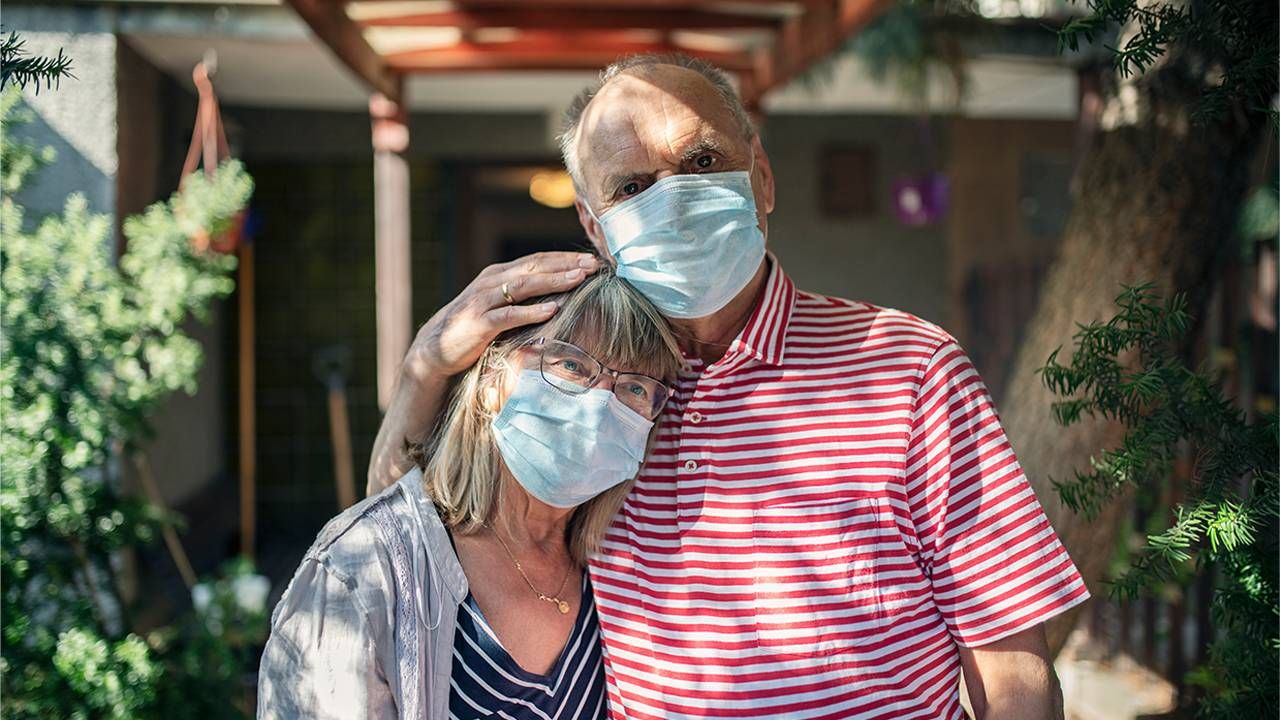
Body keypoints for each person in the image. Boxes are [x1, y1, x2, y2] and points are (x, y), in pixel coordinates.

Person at [368, 55, 1088, 720]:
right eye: (631, 187)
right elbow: (401, 540)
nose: (673, 200)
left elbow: (1012, 668)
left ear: (762, 179)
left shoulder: (908, 369)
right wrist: (424, 369)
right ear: (596, 226)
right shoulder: (582, 393)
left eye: (702, 161)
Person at [258, 268, 683, 719]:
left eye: (634, 387)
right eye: (572, 365)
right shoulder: (363, 564)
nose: (601, 403)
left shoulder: (617, 572)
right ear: (490, 381)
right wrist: (423, 366)